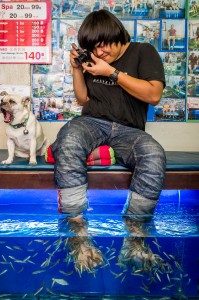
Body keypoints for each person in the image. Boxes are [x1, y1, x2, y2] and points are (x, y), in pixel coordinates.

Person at [51, 10, 166, 271]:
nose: (99, 53)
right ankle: (77, 231)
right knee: (68, 138)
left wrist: (112, 72)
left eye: (102, 45)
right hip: (93, 122)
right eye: (93, 48)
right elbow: (82, 100)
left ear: (115, 33)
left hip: (130, 129)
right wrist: (76, 69)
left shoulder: (143, 51)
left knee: (154, 154)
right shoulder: (94, 58)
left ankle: (135, 234)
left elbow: (154, 95)